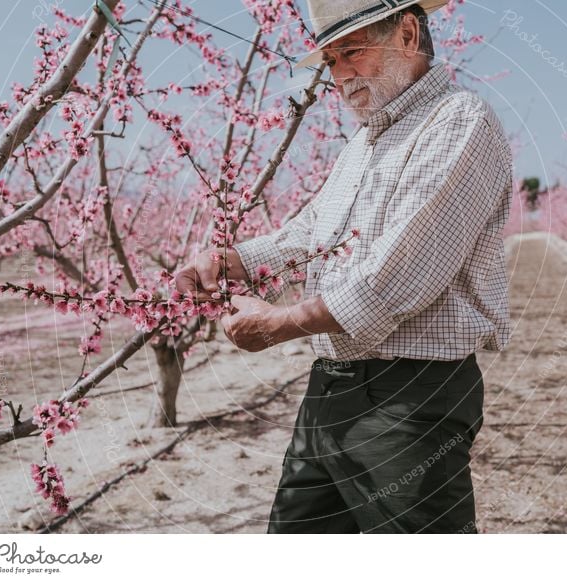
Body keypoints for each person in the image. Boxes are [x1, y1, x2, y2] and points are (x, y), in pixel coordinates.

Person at [174, 0, 513, 533]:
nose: (339, 76)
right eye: (330, 61)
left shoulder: (460, 122)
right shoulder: (363, 143)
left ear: (406, 34)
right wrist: (231, 261)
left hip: (409, 400)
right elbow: (310, 235)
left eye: (351, 52)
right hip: (329, 390)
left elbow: (396, 278)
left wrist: (280, 323)